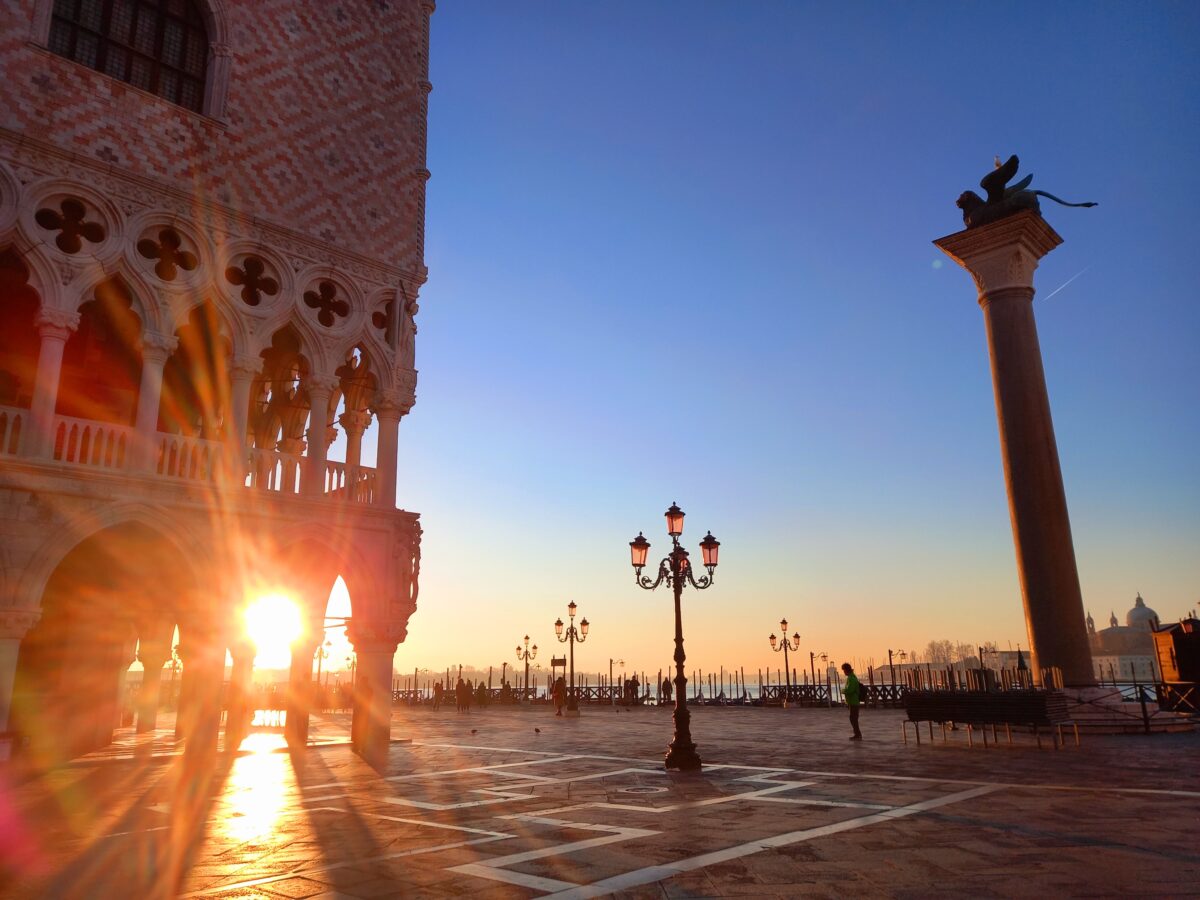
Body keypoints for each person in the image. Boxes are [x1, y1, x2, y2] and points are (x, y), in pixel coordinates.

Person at [841, 662, 863, 740]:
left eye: (844, 670)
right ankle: (857, 734)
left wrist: (843, 691)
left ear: (846, 670)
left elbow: (850, 690)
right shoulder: (852, 677)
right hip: (852, 701)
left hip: (853, 701)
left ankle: (858, 735)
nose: (843, 672)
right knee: (853, 718)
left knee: (853, 719)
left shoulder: (851, 678)